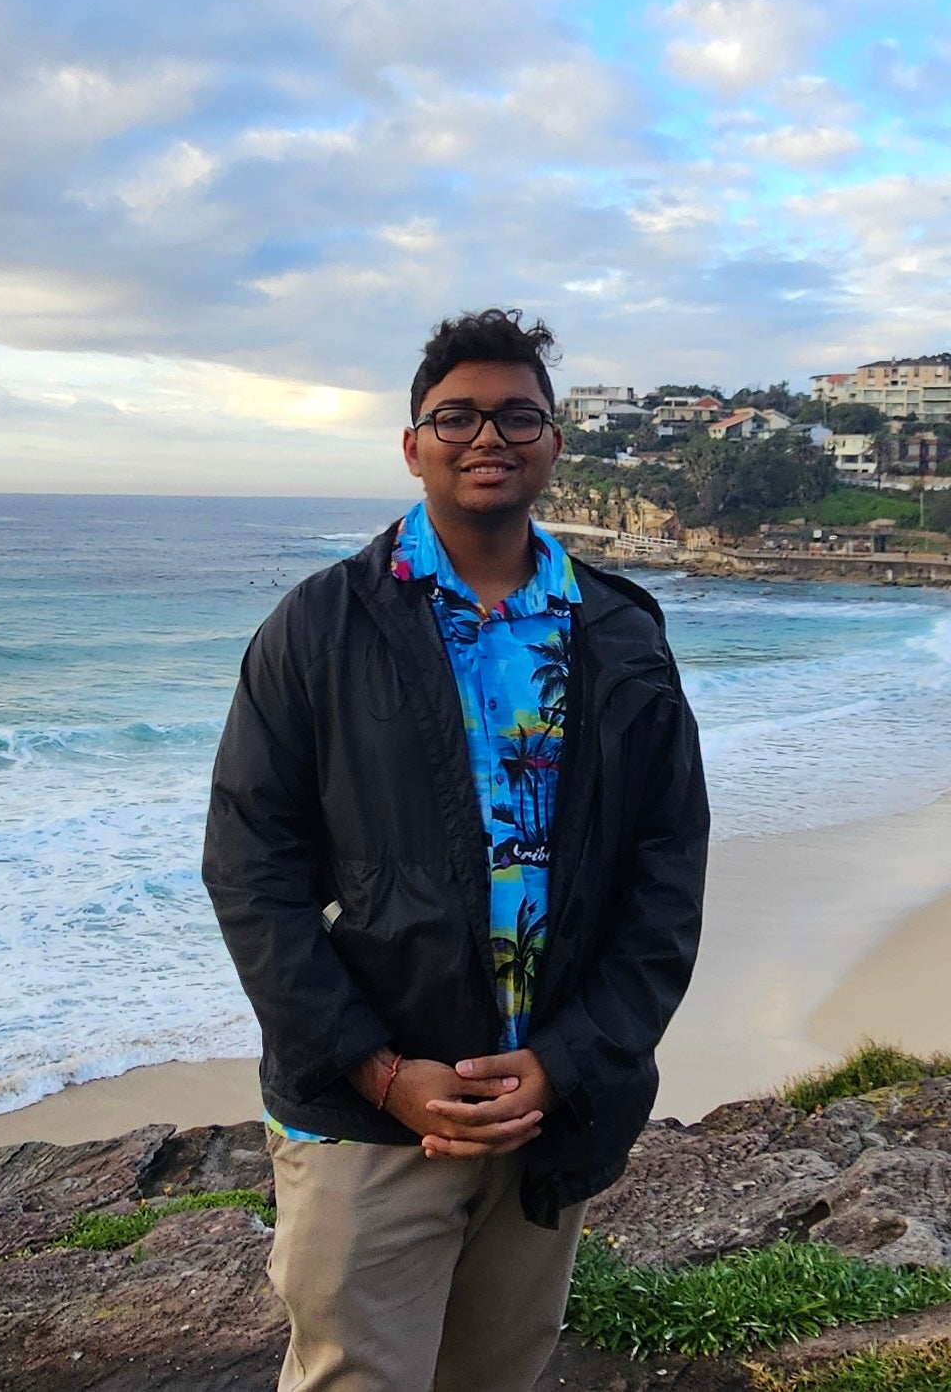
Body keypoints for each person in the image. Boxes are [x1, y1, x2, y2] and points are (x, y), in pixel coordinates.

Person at [201, 308, 710, 1392]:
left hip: (550, 1105)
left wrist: (566, 1061)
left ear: (554, 442)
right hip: (367, 1114)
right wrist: (380, 1072)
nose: (489, 435)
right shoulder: (319, 625)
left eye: (517, 414)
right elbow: (251, 867)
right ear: (412, 443)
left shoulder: (618, 628)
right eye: (457, 415)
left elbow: (664, 873)